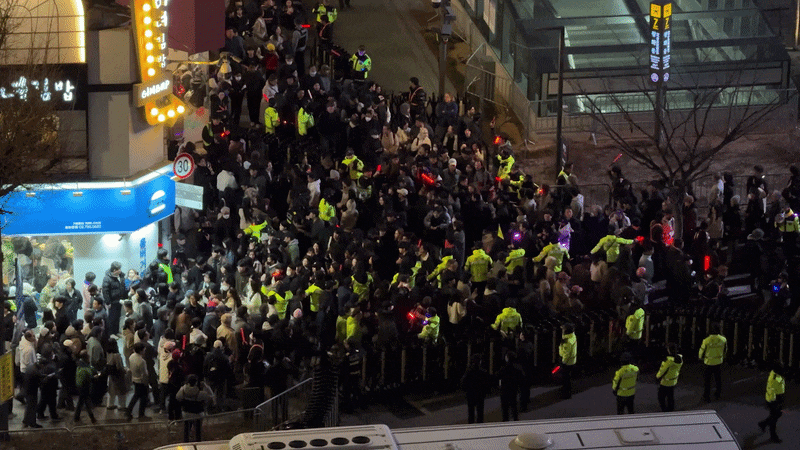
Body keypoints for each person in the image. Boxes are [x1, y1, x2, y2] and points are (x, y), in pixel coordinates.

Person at [176, 374, 215, 442]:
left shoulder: (183, 391)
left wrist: (183, 388)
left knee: (186, 431)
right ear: (196, 382)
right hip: (198, 414)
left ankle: (186, 443)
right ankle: (198, 443)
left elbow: (178, 398)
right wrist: (206, 386)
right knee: (198, 431)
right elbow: (211, 396)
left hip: (186, 413)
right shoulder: (200, 394)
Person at [698, 322, 727, 402]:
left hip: (708, 362)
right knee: (718, 379)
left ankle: (706, 396)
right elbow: (725, 350)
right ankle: (718, 394)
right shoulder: (723, 339)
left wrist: (700, 357)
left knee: (707, 381)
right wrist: (723, 357)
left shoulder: (706, 340)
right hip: (718, 362)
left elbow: (702, 350)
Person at [758, 363, 786, 443]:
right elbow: (772, 391)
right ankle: (773, 436)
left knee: (776, 415)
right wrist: (775, 403)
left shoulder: (776, 375)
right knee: (774, 418)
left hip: (777, 398)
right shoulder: (774, 378)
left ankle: (763, 424)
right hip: (773, 400)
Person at [460, 354, 490, 424]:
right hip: (480, 394)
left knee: (471, 413)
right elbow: (487, 383)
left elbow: (463, 382)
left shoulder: (468, 372)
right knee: (480, 412)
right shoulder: (483, 372)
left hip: (470, 394)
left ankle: (471, 426)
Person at [656, 343, 683, 412]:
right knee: (670, 396)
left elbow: (662, 371)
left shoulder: (668, 361)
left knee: (661, 397)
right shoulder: (680, 359)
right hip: (674, 381)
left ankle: (664, 410)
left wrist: (657, 377)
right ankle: (671, 409)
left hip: (665, 382)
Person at [498, 351, 524, 421]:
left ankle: (505, 422)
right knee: (514, 407)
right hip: (513, 390)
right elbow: (521, 380)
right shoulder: (517, 370)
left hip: (504, 390)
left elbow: (497, 377)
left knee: (505, 410)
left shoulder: (503, 369)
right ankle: (515, 421)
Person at [126, 341, 149, 420]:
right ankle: (141, 414)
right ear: (141, 350)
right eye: (144, 349)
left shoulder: (131, 356)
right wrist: (146, 383)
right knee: (143, 398)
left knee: (136, 396)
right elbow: (145, 374)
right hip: (141, 381)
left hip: (134, 379)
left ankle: (129, 411)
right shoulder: (142, 361)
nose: (145, 350)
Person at [103, 261, 127, 336]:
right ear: (114, 270)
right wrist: (108, 302)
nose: (120, 270)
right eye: (118, 269)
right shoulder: (107, 278)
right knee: (112, 318)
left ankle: (116, 332)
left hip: (120, 300)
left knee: (118, 317)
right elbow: (105, 291)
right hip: (112, 301)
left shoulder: (121, 276)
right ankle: (111, 333)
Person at [73, 350, 97, 424]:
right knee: (86, 402)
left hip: (80, 386)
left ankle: (76, 417)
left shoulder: (80, 364)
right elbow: (89, 376)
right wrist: (95, 376)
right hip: (84, 387)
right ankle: (92, 417)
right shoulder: (84, 369)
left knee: (81, 402)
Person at [558, 323, 577, 399]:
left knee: (565, 379)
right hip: (572, 361)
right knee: (568, 378)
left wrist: (563, 362)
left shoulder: (567, 341)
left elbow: (566, 353)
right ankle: (567, 392)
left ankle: (566, 394)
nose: (562, 330)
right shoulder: (572, 336)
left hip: (567, 362)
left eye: (563, 329)